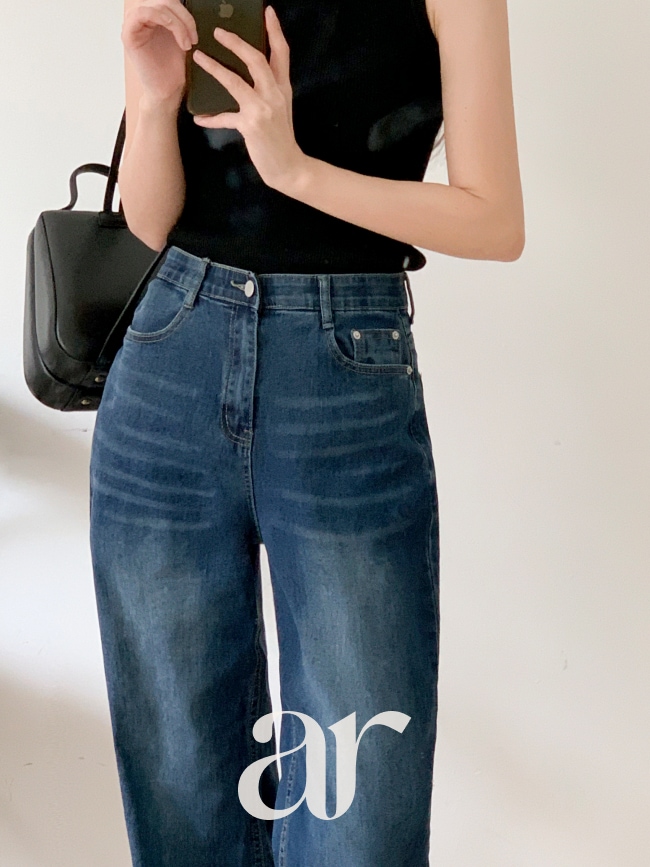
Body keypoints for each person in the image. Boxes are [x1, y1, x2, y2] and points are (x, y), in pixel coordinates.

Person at [88, 0, 524, 864]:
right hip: (171, 353)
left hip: (345, 369)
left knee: (359, 791)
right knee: (181, 780)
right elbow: (150, 221)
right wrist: (153, 93)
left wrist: (294, 170)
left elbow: (495, 219)